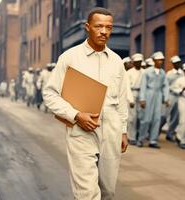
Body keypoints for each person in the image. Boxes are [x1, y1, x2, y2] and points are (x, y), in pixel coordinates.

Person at [43, 8, 128, 200]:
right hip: (81, 132)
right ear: (87, 27)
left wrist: (122, 130)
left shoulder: (116, 61)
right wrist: (75, 115)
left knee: (108, 191)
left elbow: (122, 100)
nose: (104, 31)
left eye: (109, 27)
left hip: (112, 131)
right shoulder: (70, 57)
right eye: (99, 26)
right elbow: (50, 94)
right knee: (87, 193)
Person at [137, 51, 169, 148]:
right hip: (148, 95)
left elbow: (165, 86)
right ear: (154, 60)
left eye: (162, 60)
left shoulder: (163, 73)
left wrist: (166, 97)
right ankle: (141, 139)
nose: (160, 62)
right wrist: (142, 99)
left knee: (157, 119)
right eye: (158, 60)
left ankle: (153, 140)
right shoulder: (147, 72)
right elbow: (143, 85)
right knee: (146, 119)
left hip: (158, 96)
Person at [162, 55, 184, 141]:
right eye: (175, 63)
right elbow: (166, 87)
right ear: (172, 64)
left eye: (178, 63)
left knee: (175, 117)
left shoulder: (182, 73)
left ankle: (170, 133)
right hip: (171, 96)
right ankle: (155, 132)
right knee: (164, 115)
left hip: (179, 97)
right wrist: (166, 98)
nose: (177, 64)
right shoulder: (169, 74)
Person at [126, 53, 144, 145]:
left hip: (141, 94)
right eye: (137, 62)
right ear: (133, 62)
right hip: (132, 94)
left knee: (140, 117)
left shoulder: (144, 72)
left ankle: (139, 135)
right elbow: (127, 87)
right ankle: (131, 137)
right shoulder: (129, 73)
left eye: (140, 62)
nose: (139, 63)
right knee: (132, 118)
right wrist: (131, 100)